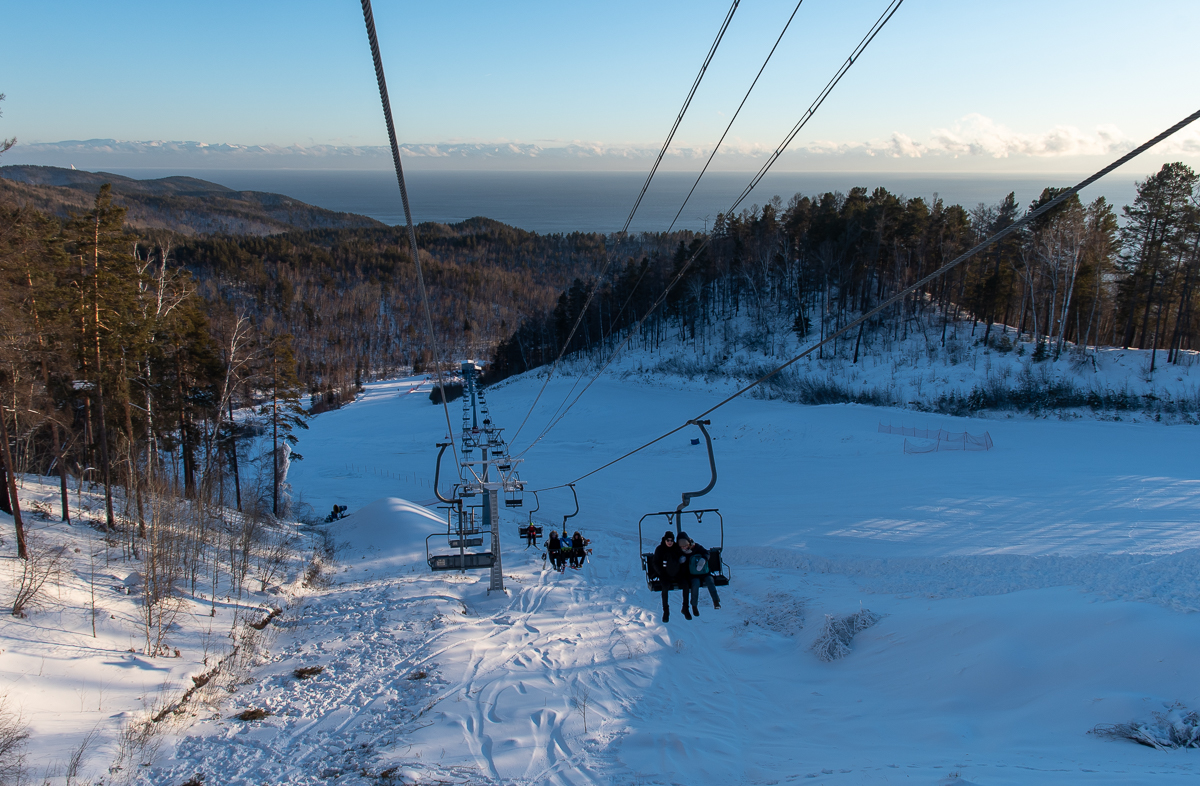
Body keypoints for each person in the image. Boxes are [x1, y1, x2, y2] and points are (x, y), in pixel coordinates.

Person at [650, 531, 691, 622]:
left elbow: (683, 559)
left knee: (686, 585)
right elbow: (655, 563)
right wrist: (661, 573)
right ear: (665, 540)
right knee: (665, 587)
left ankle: (685, 608)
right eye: (668, 540)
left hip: (677, 574)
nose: (670, 542)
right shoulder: (660, 549)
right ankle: (666, 610)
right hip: (665, 575)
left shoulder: (676, 548)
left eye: (671, 540)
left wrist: (682, 570)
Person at [678, 532, 721, 615]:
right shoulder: (681, 552)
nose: (684, 548)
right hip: (692, 574)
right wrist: (681, 561)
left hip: (703, 572)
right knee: (695, 585)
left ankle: (716, 601)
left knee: (710, 581)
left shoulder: (696, 547)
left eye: (685, 546)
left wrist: (703, 560)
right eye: (682, 547)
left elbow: (706, 553)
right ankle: (694, 606)